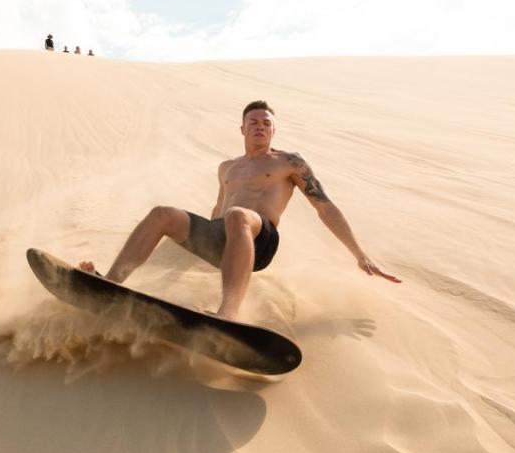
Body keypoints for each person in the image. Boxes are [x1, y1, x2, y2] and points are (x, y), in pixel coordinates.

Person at [79, 100, 399, 320]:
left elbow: (324, 206)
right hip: (228, 235)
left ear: (274, 130)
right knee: (163, 213)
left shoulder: (290, 162)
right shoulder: (227, 168)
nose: (260, 127)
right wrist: (205, 246)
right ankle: (111, 282)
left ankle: (229, 312)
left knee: (237, 216)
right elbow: (219, 209)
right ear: (242, 129)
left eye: (266, 123)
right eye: (253, 122)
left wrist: (359, 253)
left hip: (263, 240)